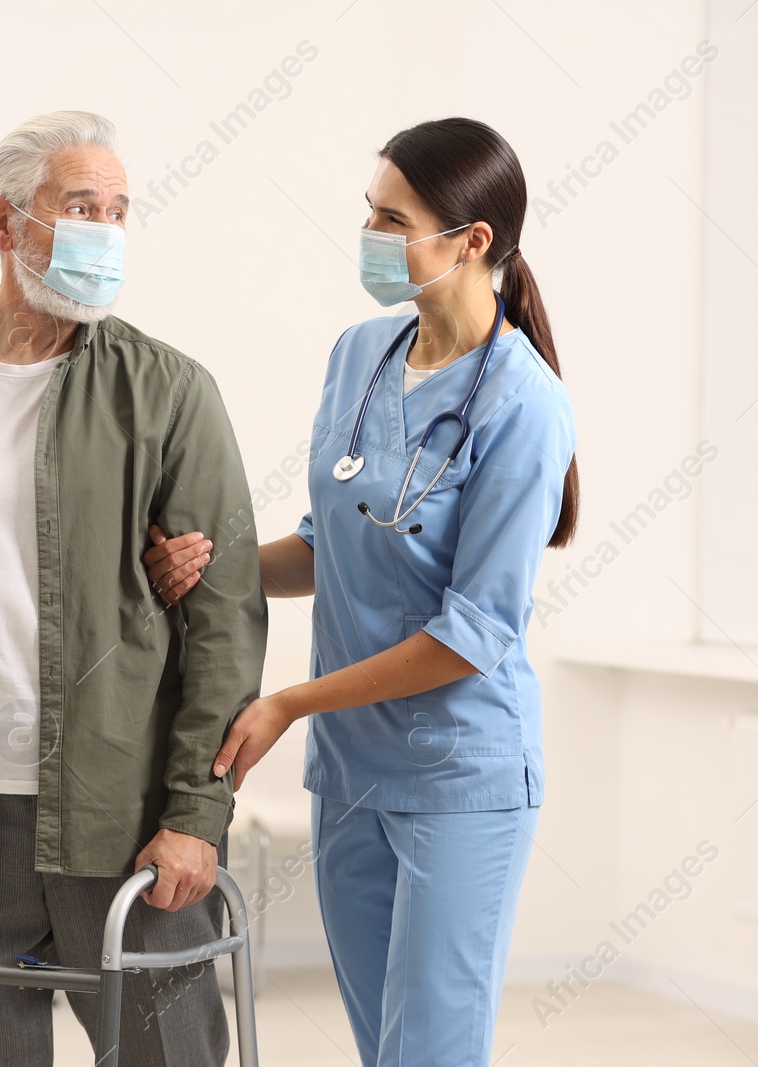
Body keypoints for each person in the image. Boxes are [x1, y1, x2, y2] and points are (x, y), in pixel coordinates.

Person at [143, 116, 579, 1067]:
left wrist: (290, 702)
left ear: (472, 242)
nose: (372, 238)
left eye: (394, 220)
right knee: (381, 1046)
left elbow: (472, 633)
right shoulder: (360, 356)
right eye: (369, 214)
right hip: (352, 775)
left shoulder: (524, 403)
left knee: (427, 1051)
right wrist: (205, 568)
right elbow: (327, 545)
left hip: (458, 776)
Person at [0, 110, 268, 1067]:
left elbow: (224, 627)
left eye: (120, 211)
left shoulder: (169, 391)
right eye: (82, 206)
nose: (107, 231)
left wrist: (193, 817)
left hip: (117, 812)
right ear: (5, 224)